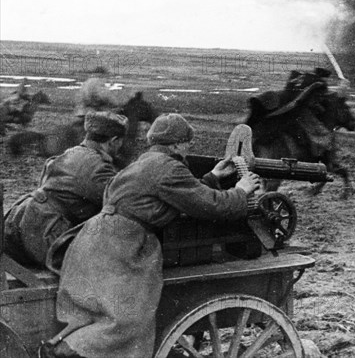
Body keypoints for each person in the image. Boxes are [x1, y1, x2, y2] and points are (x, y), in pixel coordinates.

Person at [40, 113, 261, 358]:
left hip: (93, 238)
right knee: (128, 319)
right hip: (122, 245)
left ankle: (68, 346)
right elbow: (212, 204)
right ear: (176, 144)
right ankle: (63, 352)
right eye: (187, 143)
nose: (188, 148)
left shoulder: (145, 161)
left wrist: (212, 177)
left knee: (96, 310)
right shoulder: (169, 167)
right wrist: (241, 192)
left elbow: (177, 192)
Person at [4, 111, 128, 268]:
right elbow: (119, 205)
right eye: (120, 142)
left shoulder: (70, 153)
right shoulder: (98, 167)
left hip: (19, 222)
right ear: (114, 141)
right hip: (45, 236)